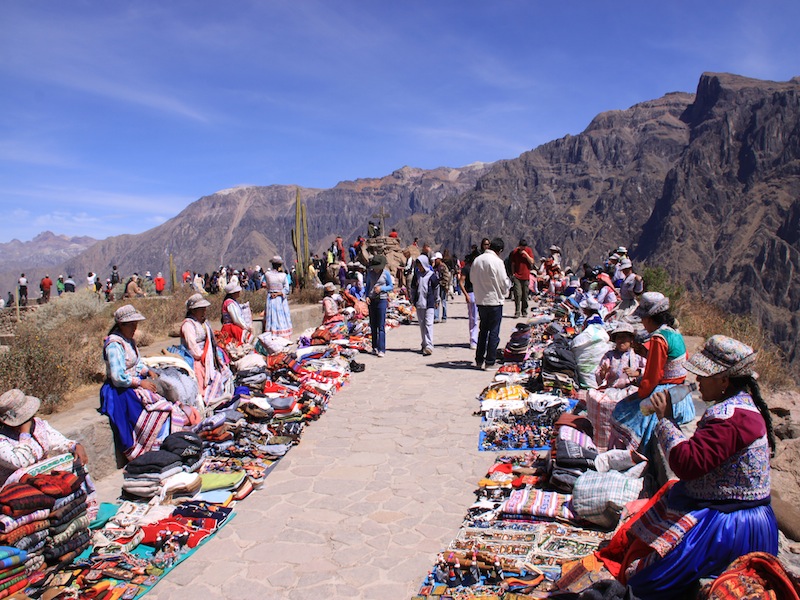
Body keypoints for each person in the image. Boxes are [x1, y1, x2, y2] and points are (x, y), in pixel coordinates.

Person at [598, 335, 777, 599]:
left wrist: (665, 420)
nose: (699, 381)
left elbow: (687, 464)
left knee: (650, 579)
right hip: (741, 515)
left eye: (705, 376)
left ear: (724, 381)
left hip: (731, 525)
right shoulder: (740, 409)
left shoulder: (730, 419)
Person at [608, 292, 695, 461]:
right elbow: (674, 361)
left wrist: (639, 395)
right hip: (681, 393)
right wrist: (648, 354)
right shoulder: (674, 332)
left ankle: (633, 458)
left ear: (648, 318)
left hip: (664, 394)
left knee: (621, 412)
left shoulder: (658, 338)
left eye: (643, 319)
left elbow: (653, 377)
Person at [99, 305, 175, 461]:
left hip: (133, 384)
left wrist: (146, 371)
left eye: (136, 324)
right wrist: (140, 383)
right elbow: (118, 376)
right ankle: (146, 449)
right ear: (122, 325)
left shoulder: (129, 341)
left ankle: (161, 445)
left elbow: (136, 363)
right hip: (120, 390)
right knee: (155, 410)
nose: (135, 328)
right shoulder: (114, 345)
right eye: (131, 324)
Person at [0, 389, 90, 487]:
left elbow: (57, 440)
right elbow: (21, 462)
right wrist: (24, 433)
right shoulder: (3, 440)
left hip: (42, 480)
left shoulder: (37, 425)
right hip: (18, 488)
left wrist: (74, 446)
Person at [586, 322, 647, 451]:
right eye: (619, 338)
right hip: (612, 390)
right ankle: (602, 442)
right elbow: (598, 375)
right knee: (596, 399)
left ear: (631, 340)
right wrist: (603, 373)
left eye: (624, 338)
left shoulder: (636, 358)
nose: (621, 341)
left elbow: (648, 370)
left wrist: (636, 373)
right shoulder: (609, 356)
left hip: (630, 391)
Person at [471, 237, 511, 370]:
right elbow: (503, 282)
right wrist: (506, 288)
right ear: (499, 250)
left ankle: (479, 359)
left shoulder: (477, 260)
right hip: (494, 300)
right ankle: (490, 361)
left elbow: (472, 278)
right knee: (493, 331)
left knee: (483, 330)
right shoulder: (497, 262)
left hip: (481, 300)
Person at [180, 294, 220, 402]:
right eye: (201, 309)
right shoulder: (188, 325)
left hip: (206, 355)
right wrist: (204, 356)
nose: (204, 311)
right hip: (195, 358)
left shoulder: (202, 323)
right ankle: (204, 399)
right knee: (199, 373)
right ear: (193, 311)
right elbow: (192, 347)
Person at [365, 254, 393, 357]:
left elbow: (390, 286)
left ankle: (382, 349)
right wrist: (367, 296)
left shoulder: (386, 274)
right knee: (373, 325)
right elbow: (367, 286)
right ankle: (374, 347)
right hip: (372, 300)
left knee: (381, 325)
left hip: (382, 299)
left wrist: (382, 289)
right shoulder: (370, 274)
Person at [412, 254, 439, 356]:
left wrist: (437, 300)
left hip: (429, 303)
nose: (419, 267)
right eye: (418, 265)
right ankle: (424, 343)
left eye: (420, 265)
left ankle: (429, 345)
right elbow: (413, 288)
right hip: (419, 303)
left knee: (428, 324)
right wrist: (412, 299)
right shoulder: (417, 276)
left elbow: (436, 289)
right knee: (422, 326)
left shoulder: (432, 276)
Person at [264, 256, 292, 338]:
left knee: (272, 316)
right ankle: (282, 334)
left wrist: (272, 292)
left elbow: (268, 286)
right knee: (281, 316)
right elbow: (286, 289)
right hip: (280, 299)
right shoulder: (283, 276)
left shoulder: (267, 275)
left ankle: (271, 333)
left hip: (271, 298)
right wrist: (279, 293)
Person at [458, 250, 479, 350]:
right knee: (473, 319)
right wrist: (466, 295)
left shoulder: (479, 268)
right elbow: (461, 282)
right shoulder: (467, 268)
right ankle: (473, 340)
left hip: (480, 294)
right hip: (471, 294)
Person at [510, 239, 535, 318]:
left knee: (525, 294)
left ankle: (524, 311)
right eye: (522, 247)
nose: (523, 249)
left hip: (526, 276)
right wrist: (513, 273)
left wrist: (526, 254)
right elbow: (513, 264)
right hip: (517, 276)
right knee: (518, 294)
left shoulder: (528, 251)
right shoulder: (515, 252)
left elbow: (532, 262)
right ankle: (517, 311)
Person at [432, 252, 450, 323]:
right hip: (436, 287)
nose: (435, 261)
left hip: (442, 286)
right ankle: (436, 317)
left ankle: (444, 316)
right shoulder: (435, 267)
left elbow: (446, 277)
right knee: (436, 301)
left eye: (436, 259)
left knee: (443, 301)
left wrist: (445, 285)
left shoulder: (443, 267)